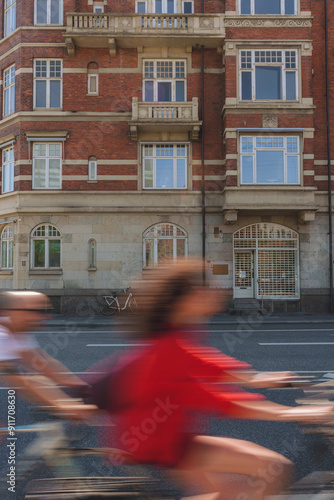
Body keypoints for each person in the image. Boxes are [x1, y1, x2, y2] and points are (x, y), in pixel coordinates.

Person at [105, 259, 333, 500]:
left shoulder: (175, 333)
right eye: (207, 286)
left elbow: (209, 364)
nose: (217, 290)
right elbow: (215, 398)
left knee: (228, 491)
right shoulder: (167, 346)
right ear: (188, 298)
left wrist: (258, 378)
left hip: (168, 436)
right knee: (274, 468)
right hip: (160, 441)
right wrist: (289, 413)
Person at [0, 290, 96, 419]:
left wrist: (78, 385)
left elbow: (41, 362)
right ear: (16, 311)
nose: (47, 317)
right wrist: (64, 406)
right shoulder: (2, 335)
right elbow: (18, 380)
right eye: (39, 311)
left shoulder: (18, 329)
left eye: (47, 311)